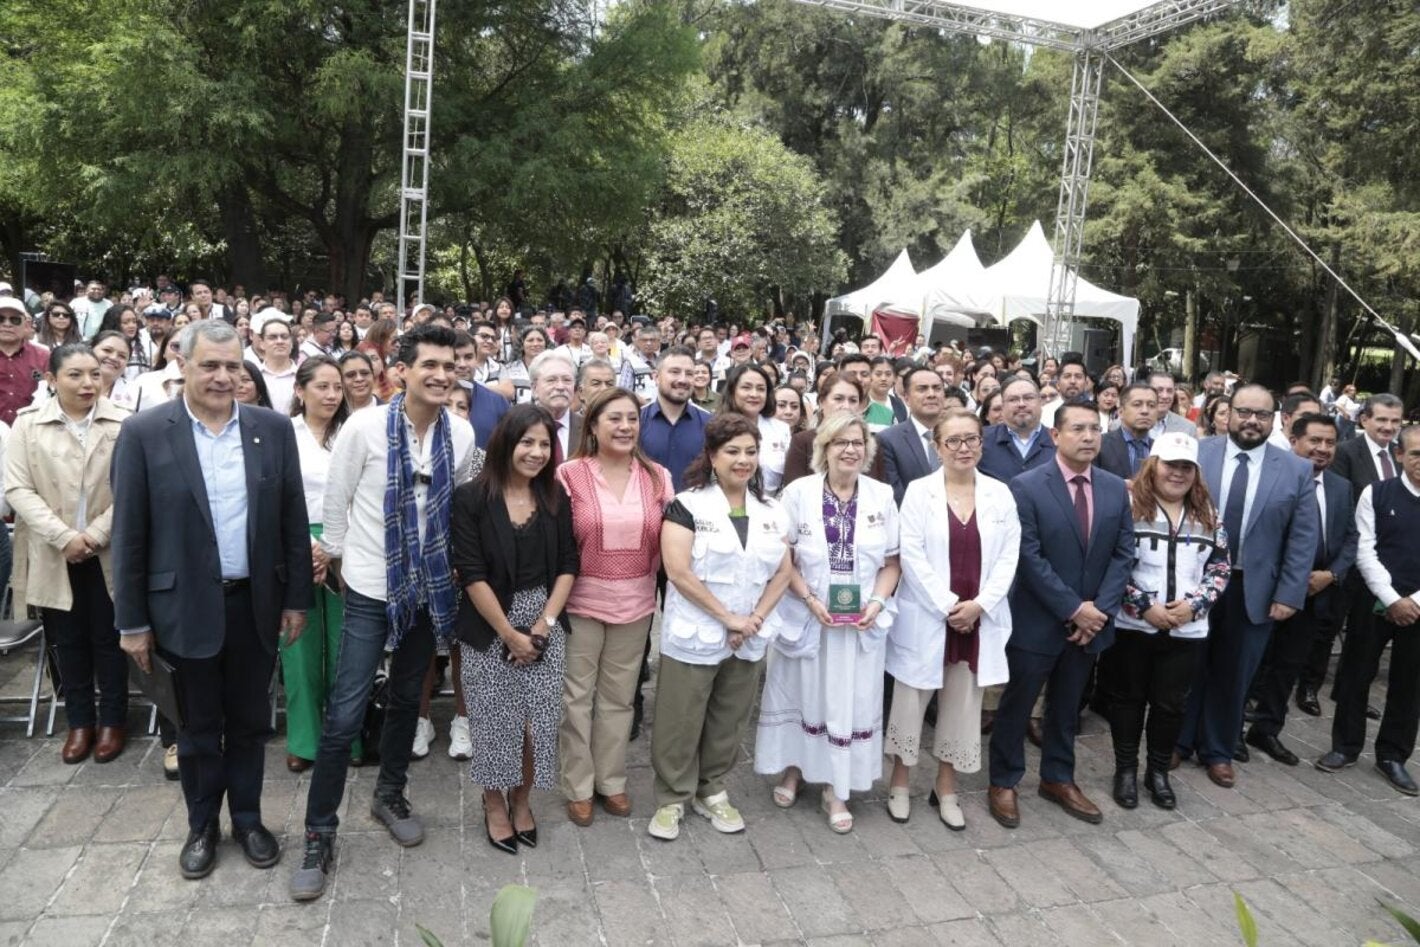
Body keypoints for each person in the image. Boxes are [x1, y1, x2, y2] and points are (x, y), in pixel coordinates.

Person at [111, 319, 313, 880]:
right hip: (181, 611)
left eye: (231, 365)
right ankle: (202, 826)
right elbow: (128, 535)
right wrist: (131, 623)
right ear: (182, 364)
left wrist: (297, 599)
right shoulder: (146, 433)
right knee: (196, 729)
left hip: (255, 605)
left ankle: (248, 818)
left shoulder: (272, 430)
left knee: (251, 723)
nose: (223, 377)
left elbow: (293, 522)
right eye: (210, 365)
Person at [290, 324, 480, 902]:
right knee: (345, 711)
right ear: (400, 370)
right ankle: (319, 832)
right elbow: (336, 501)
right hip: (372, 588)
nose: (442, 375)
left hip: (429, 591)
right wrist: (341, 562)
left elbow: (460, 505)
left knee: (407, 697)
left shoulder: (464, 434)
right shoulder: (366, 427)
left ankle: (389, 793)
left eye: (450, 366)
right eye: (430, 365)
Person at [987, 403, 1135, 829]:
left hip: (1090, 627)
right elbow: (1027, 557)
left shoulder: (1112, 488)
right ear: (1055, 435)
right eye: (1078, 428)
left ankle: (1057, 776)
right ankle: (1004, 779)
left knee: (1067, 705)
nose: (1089, 436)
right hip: (1039, 619)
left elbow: (1123, 553)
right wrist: (1073, 608)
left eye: (1095, 429)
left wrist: (1099, 612)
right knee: (1017, 705)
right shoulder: (1026, 487)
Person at [648, 413, 793, 842]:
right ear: (712, 456)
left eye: (751, 451)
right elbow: (678, 571)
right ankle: (672, 796)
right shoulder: (688, 505)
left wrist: (754, 620)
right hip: (696, 633)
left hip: (747, 635)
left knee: (729, 718)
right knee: (681, 717)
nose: (743, 459)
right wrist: (728, 618)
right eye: (733, 451)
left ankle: (711, 790)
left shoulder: (771, 510)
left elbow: (783, 573)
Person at [756, 413, 901, 832]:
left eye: (857, 442)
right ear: (823, 448)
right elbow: (785, 558)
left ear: (867, 450)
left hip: (860, 625)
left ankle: (837, 788)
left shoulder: (882, 496)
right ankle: (796, 768)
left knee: (848, 700)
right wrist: (810, 598)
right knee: (804, 693)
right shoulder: (798, 493)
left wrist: (876, 602)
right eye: (840, 443)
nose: (850, 450)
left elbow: (892, 563)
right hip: (808, 615)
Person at [1175, 384, 1318, 789]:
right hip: (1195, 582)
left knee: (1236, 673)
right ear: (1227, 413)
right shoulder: (1198, 455)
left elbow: (1302, 538)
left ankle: (1218, 750)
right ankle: (1179, 741)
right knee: (1189, 667)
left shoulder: (1295, 469)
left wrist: (1289, 594)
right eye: (1244, 412)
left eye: (1261, 414)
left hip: (1253, 588)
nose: (1251, 421)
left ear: (1275, 420)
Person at [453, 405, 579, 853]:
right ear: (507, 442)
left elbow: (568, 564)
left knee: (536, 724)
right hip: (489, 624)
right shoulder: (471, 498)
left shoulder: (555, 497)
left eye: (545, 444)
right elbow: (470, 573)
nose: (537, 452)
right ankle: (492, 801)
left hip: (545, 617)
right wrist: (510, 634)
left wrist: (542, 627)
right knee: (492, 722)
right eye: (528, 442)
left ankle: (522, 799)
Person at [884, 409, 1019, 828]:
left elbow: (1009, 558)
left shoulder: (1000, 494)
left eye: (972, 439)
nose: (963, 448)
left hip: (978, 619)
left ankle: (945, 788)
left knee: (962, 706)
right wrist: (947, 605)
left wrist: (979, 606)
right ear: (937, 447)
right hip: (928, 616)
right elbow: (912, 555)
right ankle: (900, 782)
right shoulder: (919, 493)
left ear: (982, 442)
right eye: (953, 441)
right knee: (910, 704)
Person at [6, 343, 130, 763]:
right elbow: (18, 488)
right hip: (52, 549)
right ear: (51, 379)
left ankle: (113, 720)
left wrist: (94, 535)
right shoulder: (28, 425)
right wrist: (64, 537)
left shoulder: (123, 423)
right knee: (67, 638)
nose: (87, 383)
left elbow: (132, 488)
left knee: (111, 637)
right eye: (75, 375)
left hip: (107, 548)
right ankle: (80, 721)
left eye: (94, 373)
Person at [556, 388, 673, 826]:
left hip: (637, 602)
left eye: (632, 418)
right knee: (576, 698)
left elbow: (667, 544)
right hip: (581, 601)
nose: (625, 427)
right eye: (614, 419)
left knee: (620, 699)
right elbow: (558, 540)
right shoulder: (569, 474)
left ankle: (612, 780)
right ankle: (579, 786)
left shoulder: (657, 476)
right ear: (593, 425)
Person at [1098, 433, 1229, 810]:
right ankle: (1125, 769)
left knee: (1171, 705)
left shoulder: (1208, 513)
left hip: (1186, 629)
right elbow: (1113, 564)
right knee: (1127, 700)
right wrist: (1143, 605)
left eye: (1186, 467)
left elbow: (1220, 567)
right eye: (1171, 465)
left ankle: (1158, 771)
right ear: (1153, 466)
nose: (1178, 473)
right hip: (1134, 626)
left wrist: (1195, 605)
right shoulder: (1127, 507)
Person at [1245, 413, 1356, 767]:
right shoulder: (1272, 477)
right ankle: (1228, 730)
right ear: (1294, 442)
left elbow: (1352, 538)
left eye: (1329, 442)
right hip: (1268, 589)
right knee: (1250, 662)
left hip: (1315, 593)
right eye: (1315, 441)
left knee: (1288, 666)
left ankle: (1267, 730)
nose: (1322, 449)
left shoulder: (1341, 487)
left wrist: (1331, 575)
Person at [1316, 424, 1420, 795]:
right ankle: (1344, 746)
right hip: (1372, 601)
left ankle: (1393, 756)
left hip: (1419, 611)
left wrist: (1413, 602)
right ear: (1399, 456)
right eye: (1416, 454)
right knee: (1355, 675)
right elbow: (1364, 549)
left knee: (1409, 686)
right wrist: (1392, 599)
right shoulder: (1376, 494)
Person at [1303, 393, 1402, 717]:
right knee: (1327, 629)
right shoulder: (1345, 453)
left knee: (1363, 637)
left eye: (1394, 421)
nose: (1388, 427)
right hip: (1349, 558)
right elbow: (1339, 506)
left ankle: (1349, 692)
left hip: (1387, 564)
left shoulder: (1401, 456)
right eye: (1382, 420)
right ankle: (1309, 687)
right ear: (1364, 420)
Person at [281, 356, 356, 773]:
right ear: (300, 390)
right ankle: (304, 739)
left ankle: (348, 735)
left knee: (347, 645)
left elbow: (364, 494)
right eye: (322, 387)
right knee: (299, 644)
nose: (331, 395)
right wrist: (310, 545)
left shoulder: (352, 432)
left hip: (347, 544)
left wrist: (333, 546)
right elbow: (275, 495)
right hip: (295, 543)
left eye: (337, 387)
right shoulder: (281, 434)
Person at [876, 366, 947, 506]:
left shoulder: (959, 436)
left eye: (937, 388)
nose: (931, 394)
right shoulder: (888, 440)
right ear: (907, 398)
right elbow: (895, 494)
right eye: (922, 389)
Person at [781, 375, 865, 487]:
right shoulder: (802, 442)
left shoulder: (869, 443)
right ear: (821, 402)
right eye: (838, 399)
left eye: (853, 400)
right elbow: (793, 491)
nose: (846, 406)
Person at [978, 377, 1055, 483]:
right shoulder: (981, 439)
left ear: (1040, 402)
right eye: (1013, 399)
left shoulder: (1060, 441)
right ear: (1003, 406)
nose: (1021, 404)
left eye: (1028, 398)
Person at [0, 297, 49, 426]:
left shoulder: (44, 356)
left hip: (32, 431)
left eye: (15, 320)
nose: (7, 324)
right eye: (1, 319)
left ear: (26, 325)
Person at [1095, 384, 1158, 480]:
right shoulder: (1100, 444)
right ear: (1120, 412)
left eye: (1151, 405)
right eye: (1137, 404)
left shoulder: (1161, 449)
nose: (1145, 411)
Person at [529, 351, 581, 466]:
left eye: (567, 380)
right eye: (551, 380)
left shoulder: (589, 429)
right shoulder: (518, 427)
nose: (560, 387)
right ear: (534, 388)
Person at [1147, 371, 1194, 438]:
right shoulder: (1130, 423)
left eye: (1169, 391)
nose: (1165, 396)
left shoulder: (1188, 428)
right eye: (1159, 390)